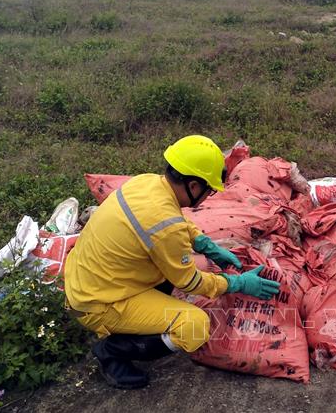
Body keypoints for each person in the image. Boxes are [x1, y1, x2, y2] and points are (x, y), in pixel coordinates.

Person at [64, 135, 280, 389]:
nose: (209, 196)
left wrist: (204, 245)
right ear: (194, 185)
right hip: (98, 302)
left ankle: (131, 328)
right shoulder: (165, 226)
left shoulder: (147, 183)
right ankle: (111, 351)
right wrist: (237, 283)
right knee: (195, 327)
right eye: (209, 190)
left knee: (167, 270)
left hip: (89, 280)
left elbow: (173, 220)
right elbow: (189, 280)